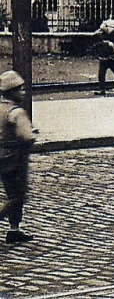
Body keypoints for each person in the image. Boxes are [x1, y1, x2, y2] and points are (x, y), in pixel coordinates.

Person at [0, 71, 35, 244]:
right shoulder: (16, 112)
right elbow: (27, 137)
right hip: (14, 158)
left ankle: (15, 230)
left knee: (12, 192)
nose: (22, 93)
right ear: (11, 91)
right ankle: (13, 228)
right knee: (17, 196)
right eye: (19, 89)